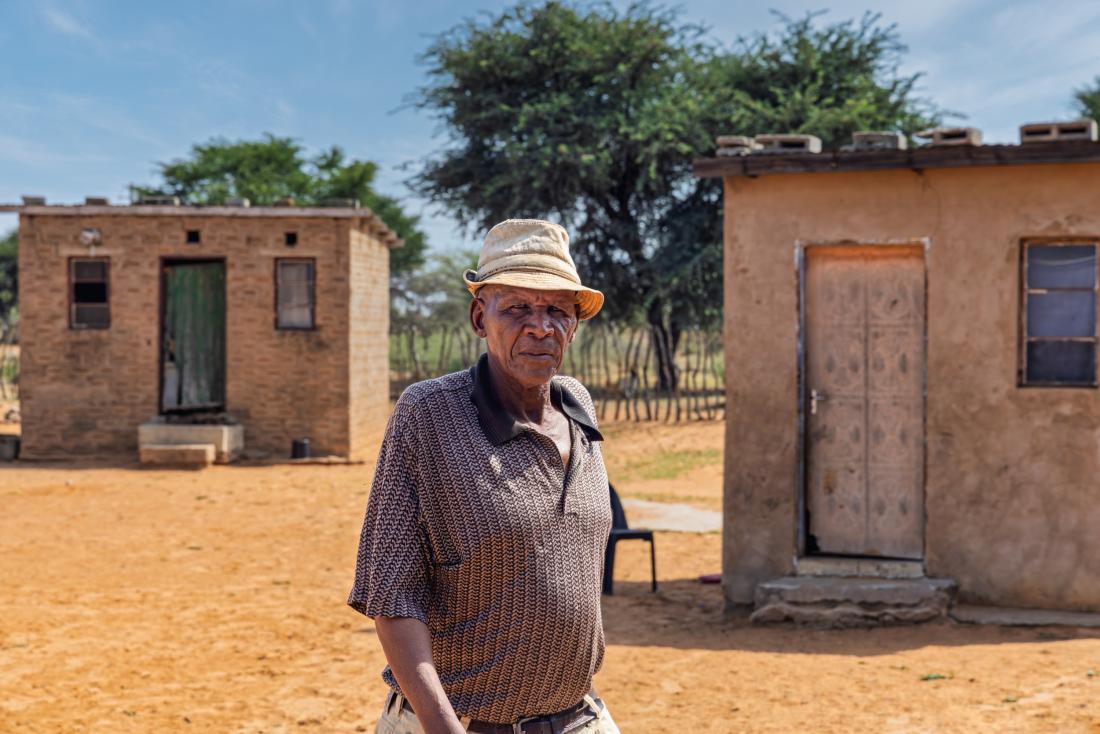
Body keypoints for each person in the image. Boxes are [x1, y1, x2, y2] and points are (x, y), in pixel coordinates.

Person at [349, 219, 620, 734]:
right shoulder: (430, 415)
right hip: (458, 724)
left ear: (574, 324)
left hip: (577, 718)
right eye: (516, 307)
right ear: (480, 317)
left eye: (556, 310)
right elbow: (391, 594)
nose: (539, 326)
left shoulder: (577, 405)